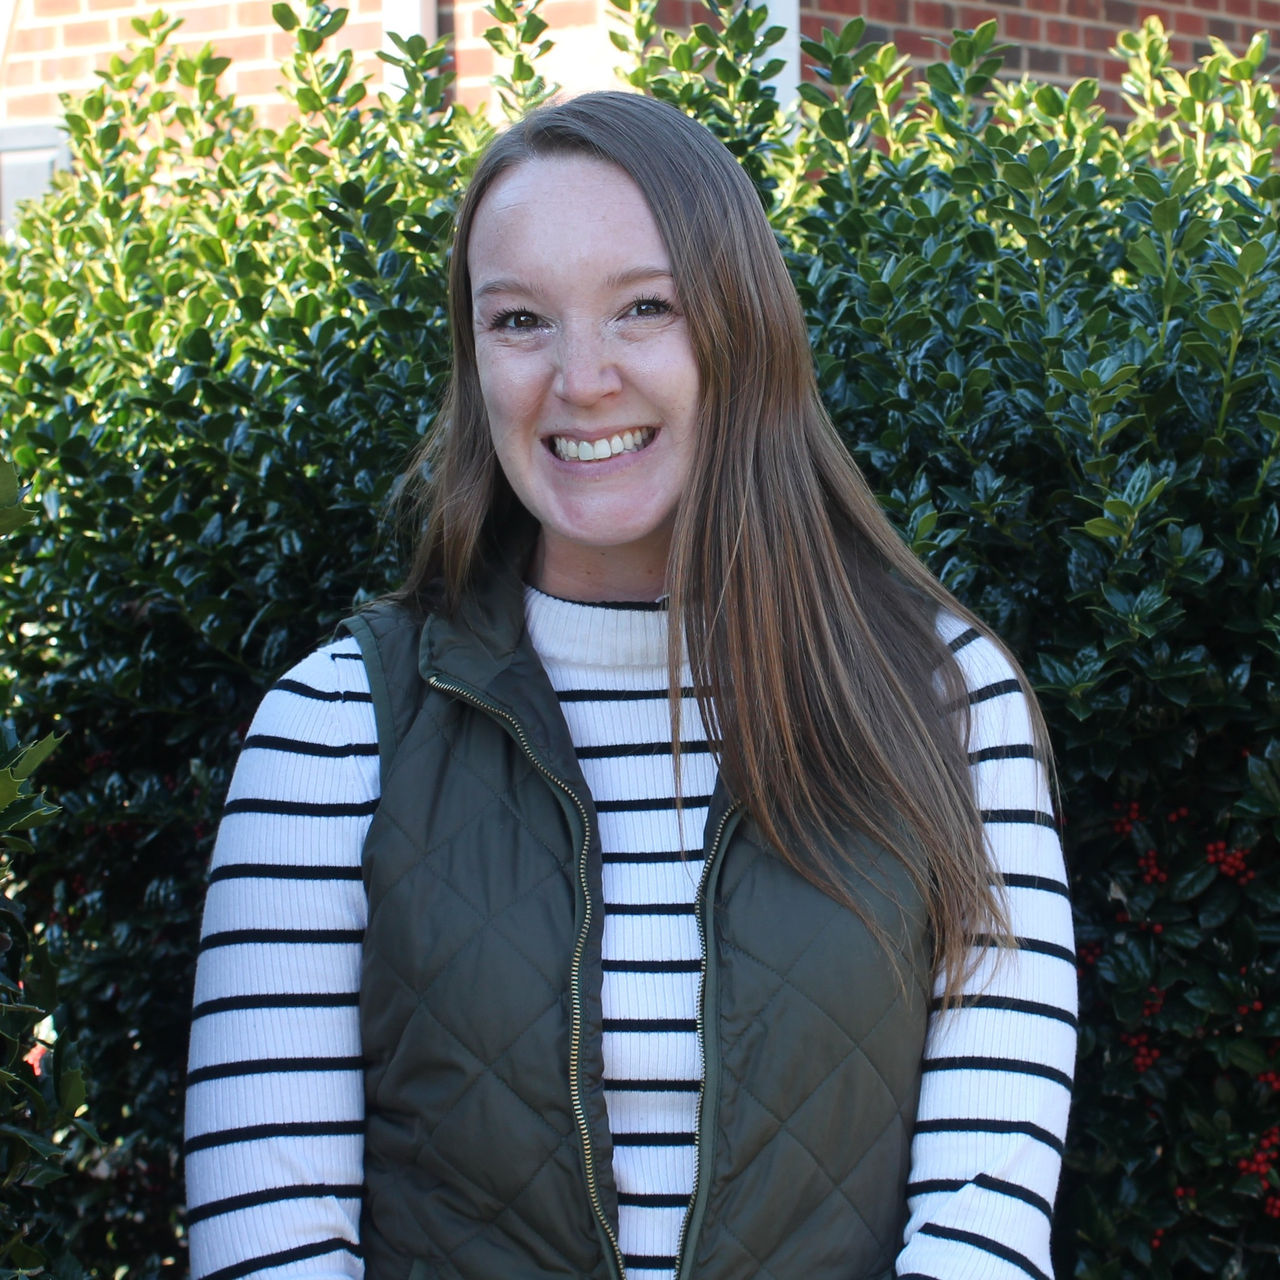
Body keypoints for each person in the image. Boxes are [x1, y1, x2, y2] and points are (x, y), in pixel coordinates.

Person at [184, 91, 1076, 1280]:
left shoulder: (944, 700)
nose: (581, 377)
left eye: (643, 307)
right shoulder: (337, 724)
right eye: (519, 320)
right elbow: (270, 1227)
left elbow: (982, 1209)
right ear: (474, 358)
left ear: (741, 329)